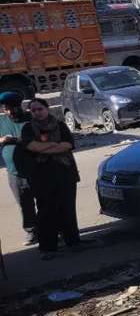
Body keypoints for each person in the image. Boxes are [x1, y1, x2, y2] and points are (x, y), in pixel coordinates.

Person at [18, 99, 81, 259]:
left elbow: (68, 144)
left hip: (65, 174)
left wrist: (46, 147)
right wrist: (54, 146)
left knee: (67, 209)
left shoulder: (60, 125)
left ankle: (73, 242)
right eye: (33, 111)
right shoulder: (28, 128)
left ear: (47, 109)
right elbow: (31, 146)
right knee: (46, 211)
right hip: (41, 177)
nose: (37, 112)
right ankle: (48, 248)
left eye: (39, 109)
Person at [0, 92, 37, 245]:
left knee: (44, 200)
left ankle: (52, 228)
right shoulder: (1, 121)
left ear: (19, 106)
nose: (9, 112)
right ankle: (31, 231)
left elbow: (38, 139)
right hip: (14, 172)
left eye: (12, 108)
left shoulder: (31, 119)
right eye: (5, 109)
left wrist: (13, 140)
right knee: (24, 203)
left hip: (36, 169)